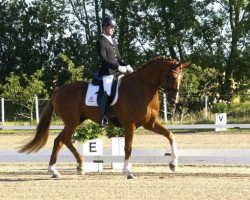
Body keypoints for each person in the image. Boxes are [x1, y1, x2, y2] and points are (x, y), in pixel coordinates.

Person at [96, 15, 133, 127]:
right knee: (108, 91)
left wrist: (126, 65)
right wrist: (118, 67)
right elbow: (104, 59)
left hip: (118, 72)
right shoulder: (100, 42)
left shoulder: (113, 41)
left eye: (114, 27)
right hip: (107, 73)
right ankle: (103, 118)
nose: (113, 29)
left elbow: (119, 59)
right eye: (111, 26)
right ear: (104, 27)